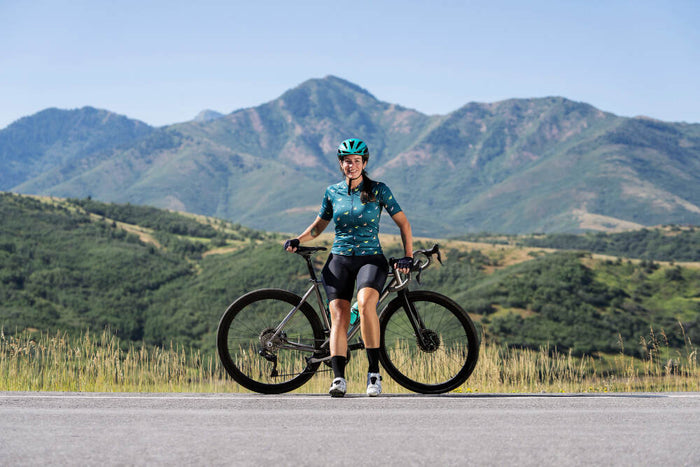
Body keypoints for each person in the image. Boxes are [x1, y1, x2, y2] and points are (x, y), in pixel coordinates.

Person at [284, 138, 413, 397]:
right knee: (339, 318)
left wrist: (408, 255)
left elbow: (403, 224)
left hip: (370, 259)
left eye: (356, 161)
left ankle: (373, 375)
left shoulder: (379, 190)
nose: (351, 165)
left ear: (364, 163)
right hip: (339, 260)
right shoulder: (332, 192)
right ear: (341, 164)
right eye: (346, 161)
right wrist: (299, 239)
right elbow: (320, 226)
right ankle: (338, 379)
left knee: (365, 305)